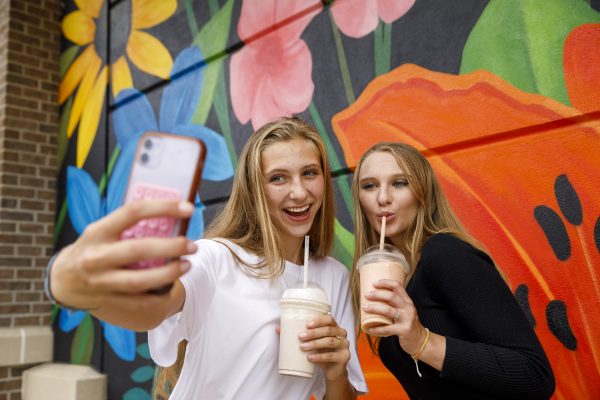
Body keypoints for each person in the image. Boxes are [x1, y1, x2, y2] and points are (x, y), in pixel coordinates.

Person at [46, 117, 367, 399]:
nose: (299, 192)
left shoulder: (333, 277)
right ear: (255, 190)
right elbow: (153, 308)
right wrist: (67, 285)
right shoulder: (216, 258)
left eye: (309, 173)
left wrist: (336, 373)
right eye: (278, 178)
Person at [349, 142, 555, 399]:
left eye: (400, 183)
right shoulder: (396, 276)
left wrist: (422, 341)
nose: (382, 198)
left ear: (423, 192)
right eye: (369, 186)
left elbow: (534, 375)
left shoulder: (445, 253)